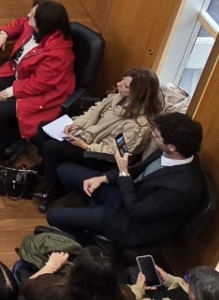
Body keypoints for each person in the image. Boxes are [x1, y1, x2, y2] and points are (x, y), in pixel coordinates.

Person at [45, 112, 207, 247]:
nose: (153, 135)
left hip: (128, 222)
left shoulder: (181, 188)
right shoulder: (170, 152)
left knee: (53, 216)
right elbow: (138, 170)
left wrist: (123, 172)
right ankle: (92, 209)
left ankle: (89, 243)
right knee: (64, 170)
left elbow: (136, 212)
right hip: (125, 194)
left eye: (157, 136)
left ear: (172, 147)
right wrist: (104, 178)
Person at [34, 67, 164, 206]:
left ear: (138, 94)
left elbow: (117, 151)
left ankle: (54, 188)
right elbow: (93, 111)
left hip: (100, 156)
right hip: (89, 137)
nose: (119, 84)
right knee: (43, 127)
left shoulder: (139, 125)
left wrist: (87, 146)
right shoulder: (118, 97)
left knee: (51, 147)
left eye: (125, 85)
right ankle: (46, 171)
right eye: (122, 80)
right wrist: (76, 124)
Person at [0, 0, 76, 164]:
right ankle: (6, 130)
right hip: (23, 76)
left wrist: (11, 91)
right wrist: (4, 34)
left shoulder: (58, 53)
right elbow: (20, 22)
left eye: (33, 15)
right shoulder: (35, 26)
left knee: (0, 112)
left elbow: (40, 84)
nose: (28, 15)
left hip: (45, 93)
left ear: (44, 23)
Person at [19, 246, 139, 300]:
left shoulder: (50, 292)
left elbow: (25, 287)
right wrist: (139, 289)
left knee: (22, 269)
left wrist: (51, 266)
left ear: (74, 271)